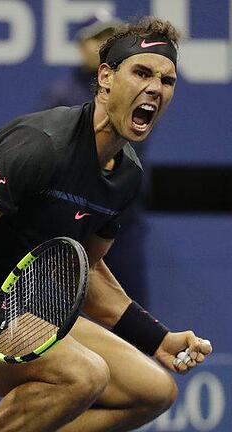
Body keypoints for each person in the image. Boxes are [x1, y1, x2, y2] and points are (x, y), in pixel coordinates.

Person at [0, 17, 213, 432]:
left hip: (19, 306)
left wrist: (158, 339)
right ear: (106, 77)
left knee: (152, 391)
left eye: (167, 80)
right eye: (142, 72)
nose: (155, 88)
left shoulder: (126, 175)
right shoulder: (43, 145)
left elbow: (85, 270)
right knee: (84, 375)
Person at [38, 14, 152, 308]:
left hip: (121, 219)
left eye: (111, 41)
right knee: (69, 309)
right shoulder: (60, 95)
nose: (105, 46)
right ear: (82, 47)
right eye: (98, 40)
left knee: (129, 307)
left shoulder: (133, 93)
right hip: (73, 221)